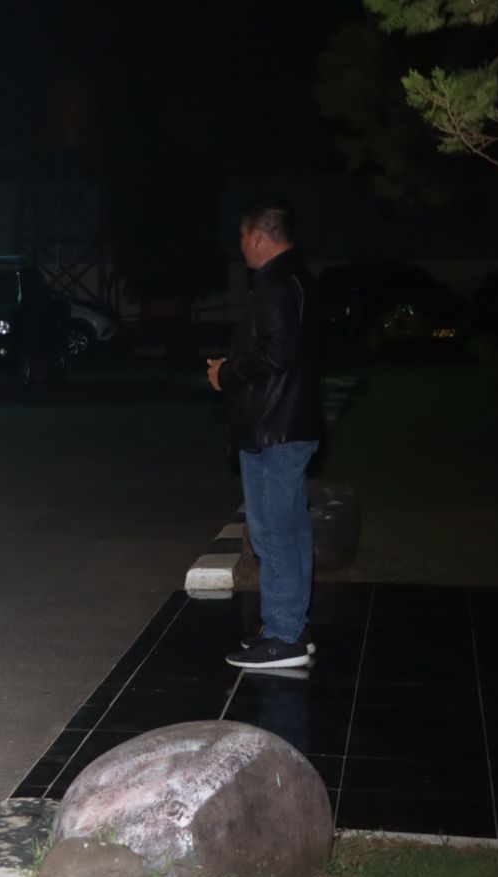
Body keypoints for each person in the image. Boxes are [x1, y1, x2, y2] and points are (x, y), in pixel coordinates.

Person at [207, 196, 323, 670]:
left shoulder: (277, 283)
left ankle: (282, 636)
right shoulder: (296, 277)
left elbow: (278, 352)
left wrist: (226, 373)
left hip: (274, 428)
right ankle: (291, 626)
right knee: (290, 530)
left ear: (258, 236)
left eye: (242, 237)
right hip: (287, 424)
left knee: (273, 532)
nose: (240, 247)